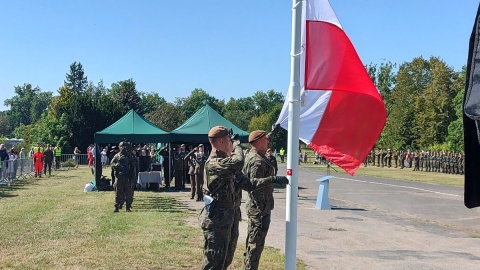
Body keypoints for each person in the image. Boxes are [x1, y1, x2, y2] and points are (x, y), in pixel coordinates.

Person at [243, 130, 289, 270]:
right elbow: (251, 183)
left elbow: (265, 137)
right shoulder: (257, 161)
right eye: (265, 139)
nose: (268, 141)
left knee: (255, 241)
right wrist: (273, 179)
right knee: (255, 245)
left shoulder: (256, 152)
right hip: (259, 207)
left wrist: (273, 130)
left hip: (262, 206)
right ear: (258, 142)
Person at [200, 126, 244, 270]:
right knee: (213, 263)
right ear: (221, 141)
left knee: (223, 261)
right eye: (229, 140)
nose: (231, 143)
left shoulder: (223, 161)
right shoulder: (214, 163)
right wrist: (237, 145)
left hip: (225, 219)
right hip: (216, 222)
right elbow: (238, 162)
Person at [110, 141, 136, 212]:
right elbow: (112, 163)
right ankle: (116, 207)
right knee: (118, 193)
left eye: (124, 146)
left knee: (128, 193)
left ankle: (128, 207)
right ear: (119, 147)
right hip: (119, 177)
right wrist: (116, 166)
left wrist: (133, 177)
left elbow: (133, 166)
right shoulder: (117, 156)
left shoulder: (129, 156)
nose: (123, 148)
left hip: (127, 177)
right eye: (121, 146)